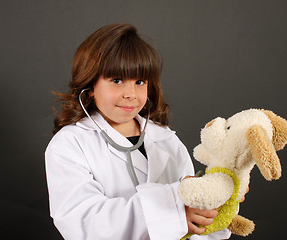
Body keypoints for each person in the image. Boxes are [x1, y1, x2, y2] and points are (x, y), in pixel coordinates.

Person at [45, 23, 231, 240]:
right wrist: (173, 211)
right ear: (90, 85)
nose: (131, 94)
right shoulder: (70, 145)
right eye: (116, 80)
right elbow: (83, 223)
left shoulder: (165, 138)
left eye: (140, 81)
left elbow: (193, 218)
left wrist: (216, 199)